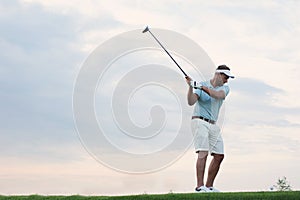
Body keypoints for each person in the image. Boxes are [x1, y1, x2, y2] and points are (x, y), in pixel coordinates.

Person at [186, 64, 234, 192]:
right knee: (203, 153)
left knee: (219, 155)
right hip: (199, 121)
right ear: (218, 74)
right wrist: (191, 87)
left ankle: (209, 186)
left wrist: (201, 87)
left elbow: (218, 95)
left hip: (213, 124)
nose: (226, 80)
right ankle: (200, 187)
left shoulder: (225, 88)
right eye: (225, 77)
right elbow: (191, 101)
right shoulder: (201, 85)